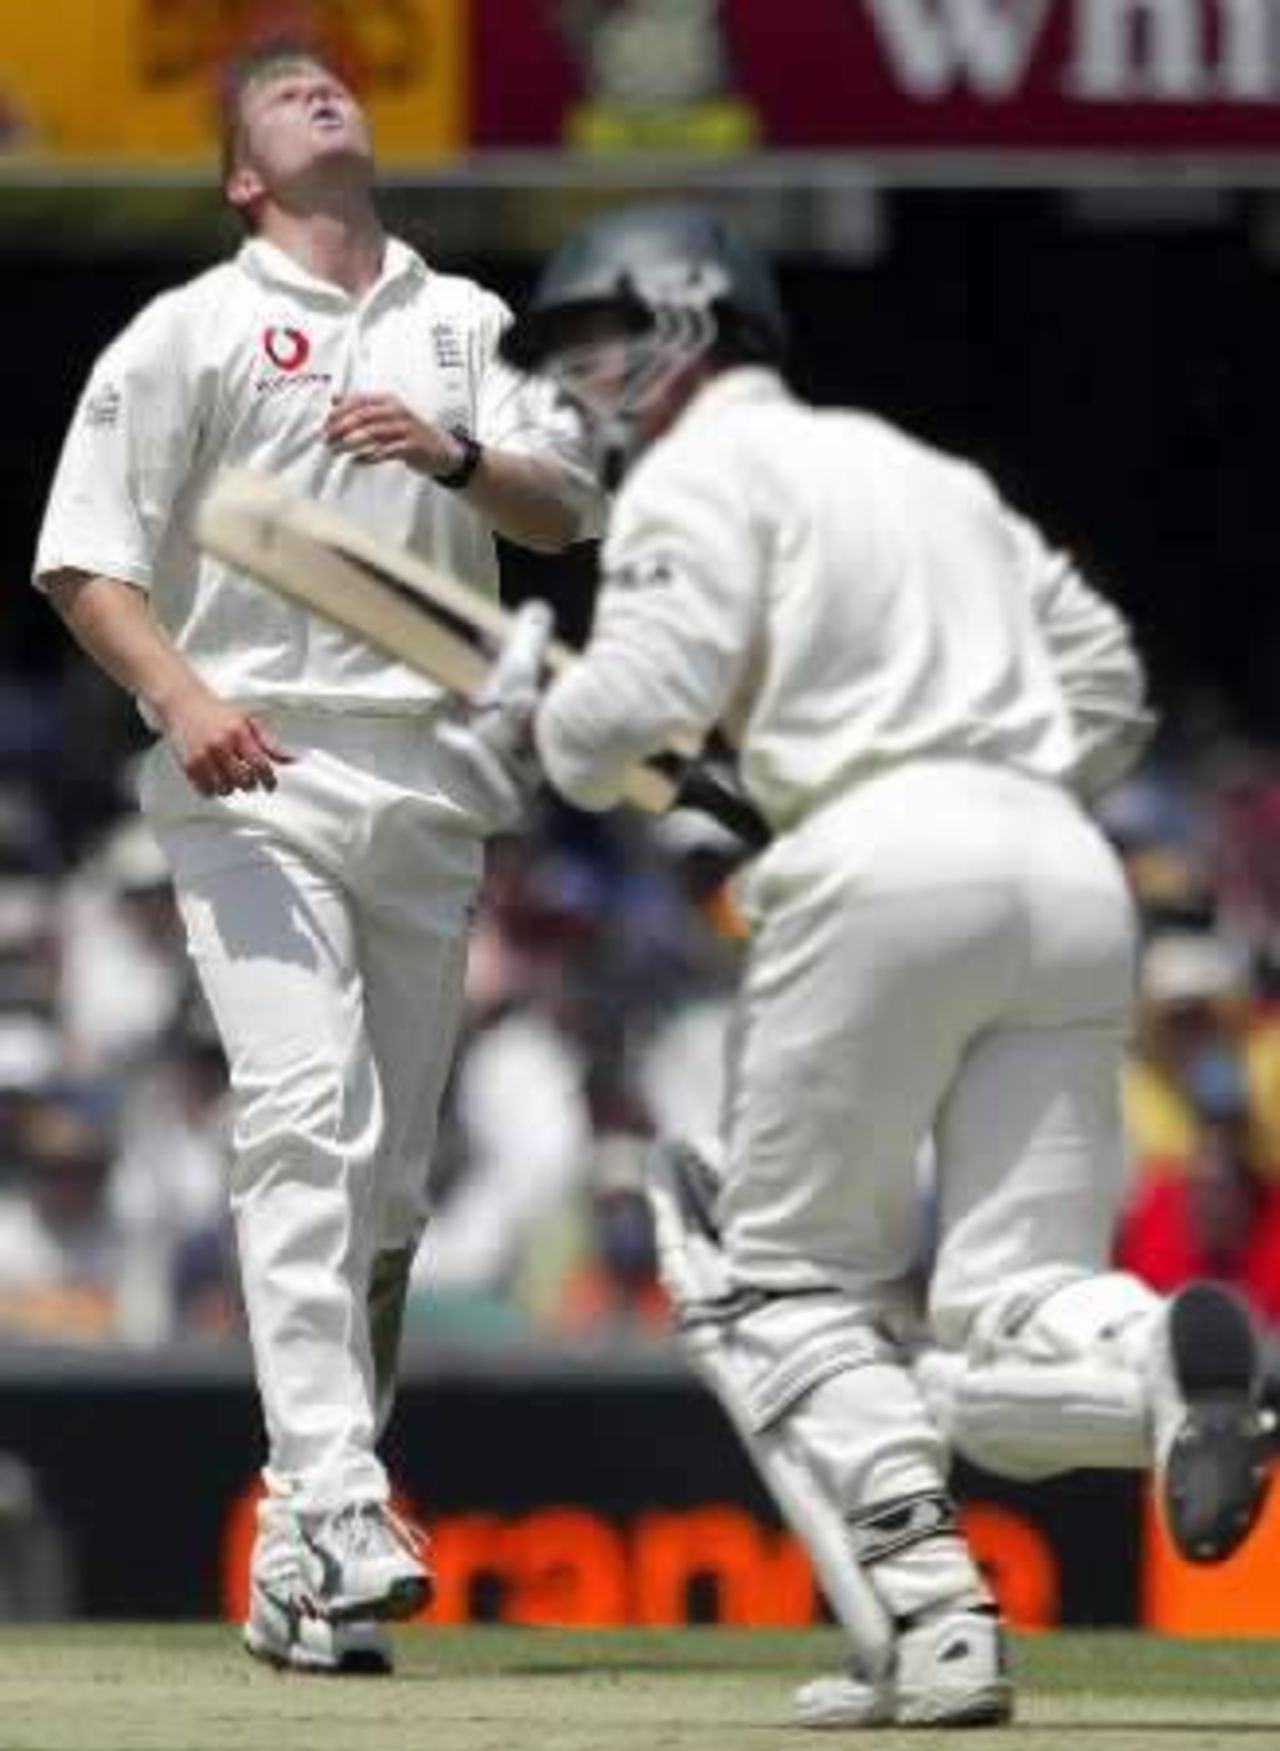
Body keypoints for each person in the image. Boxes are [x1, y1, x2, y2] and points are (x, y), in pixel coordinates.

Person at [475, 202, 1274, 1727]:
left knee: (779, 1288)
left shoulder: (696, 473)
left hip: (876, 860)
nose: (578, 386)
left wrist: (540, 721)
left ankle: (935, 1623)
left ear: (691, 325)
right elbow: (1104, 672)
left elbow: (638, 705)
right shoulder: (937, 475)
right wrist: (1010, 784)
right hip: (1062, 863)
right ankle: (1169, 1349)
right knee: (1018, 1299)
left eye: (595, 345)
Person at [32, 37, 600, 1675]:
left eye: (334, 85)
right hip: (251, 760)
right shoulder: (191, 330)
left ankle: (300, 1544)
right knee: (303, 1110)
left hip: (427, 777)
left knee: (391, 1189)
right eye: (283, 97)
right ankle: (346, 1492)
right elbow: (85, 561)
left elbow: (561, 513)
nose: (321, 91)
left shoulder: (466, 323)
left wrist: (453, 457)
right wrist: (186, 699)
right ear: (242, 177)